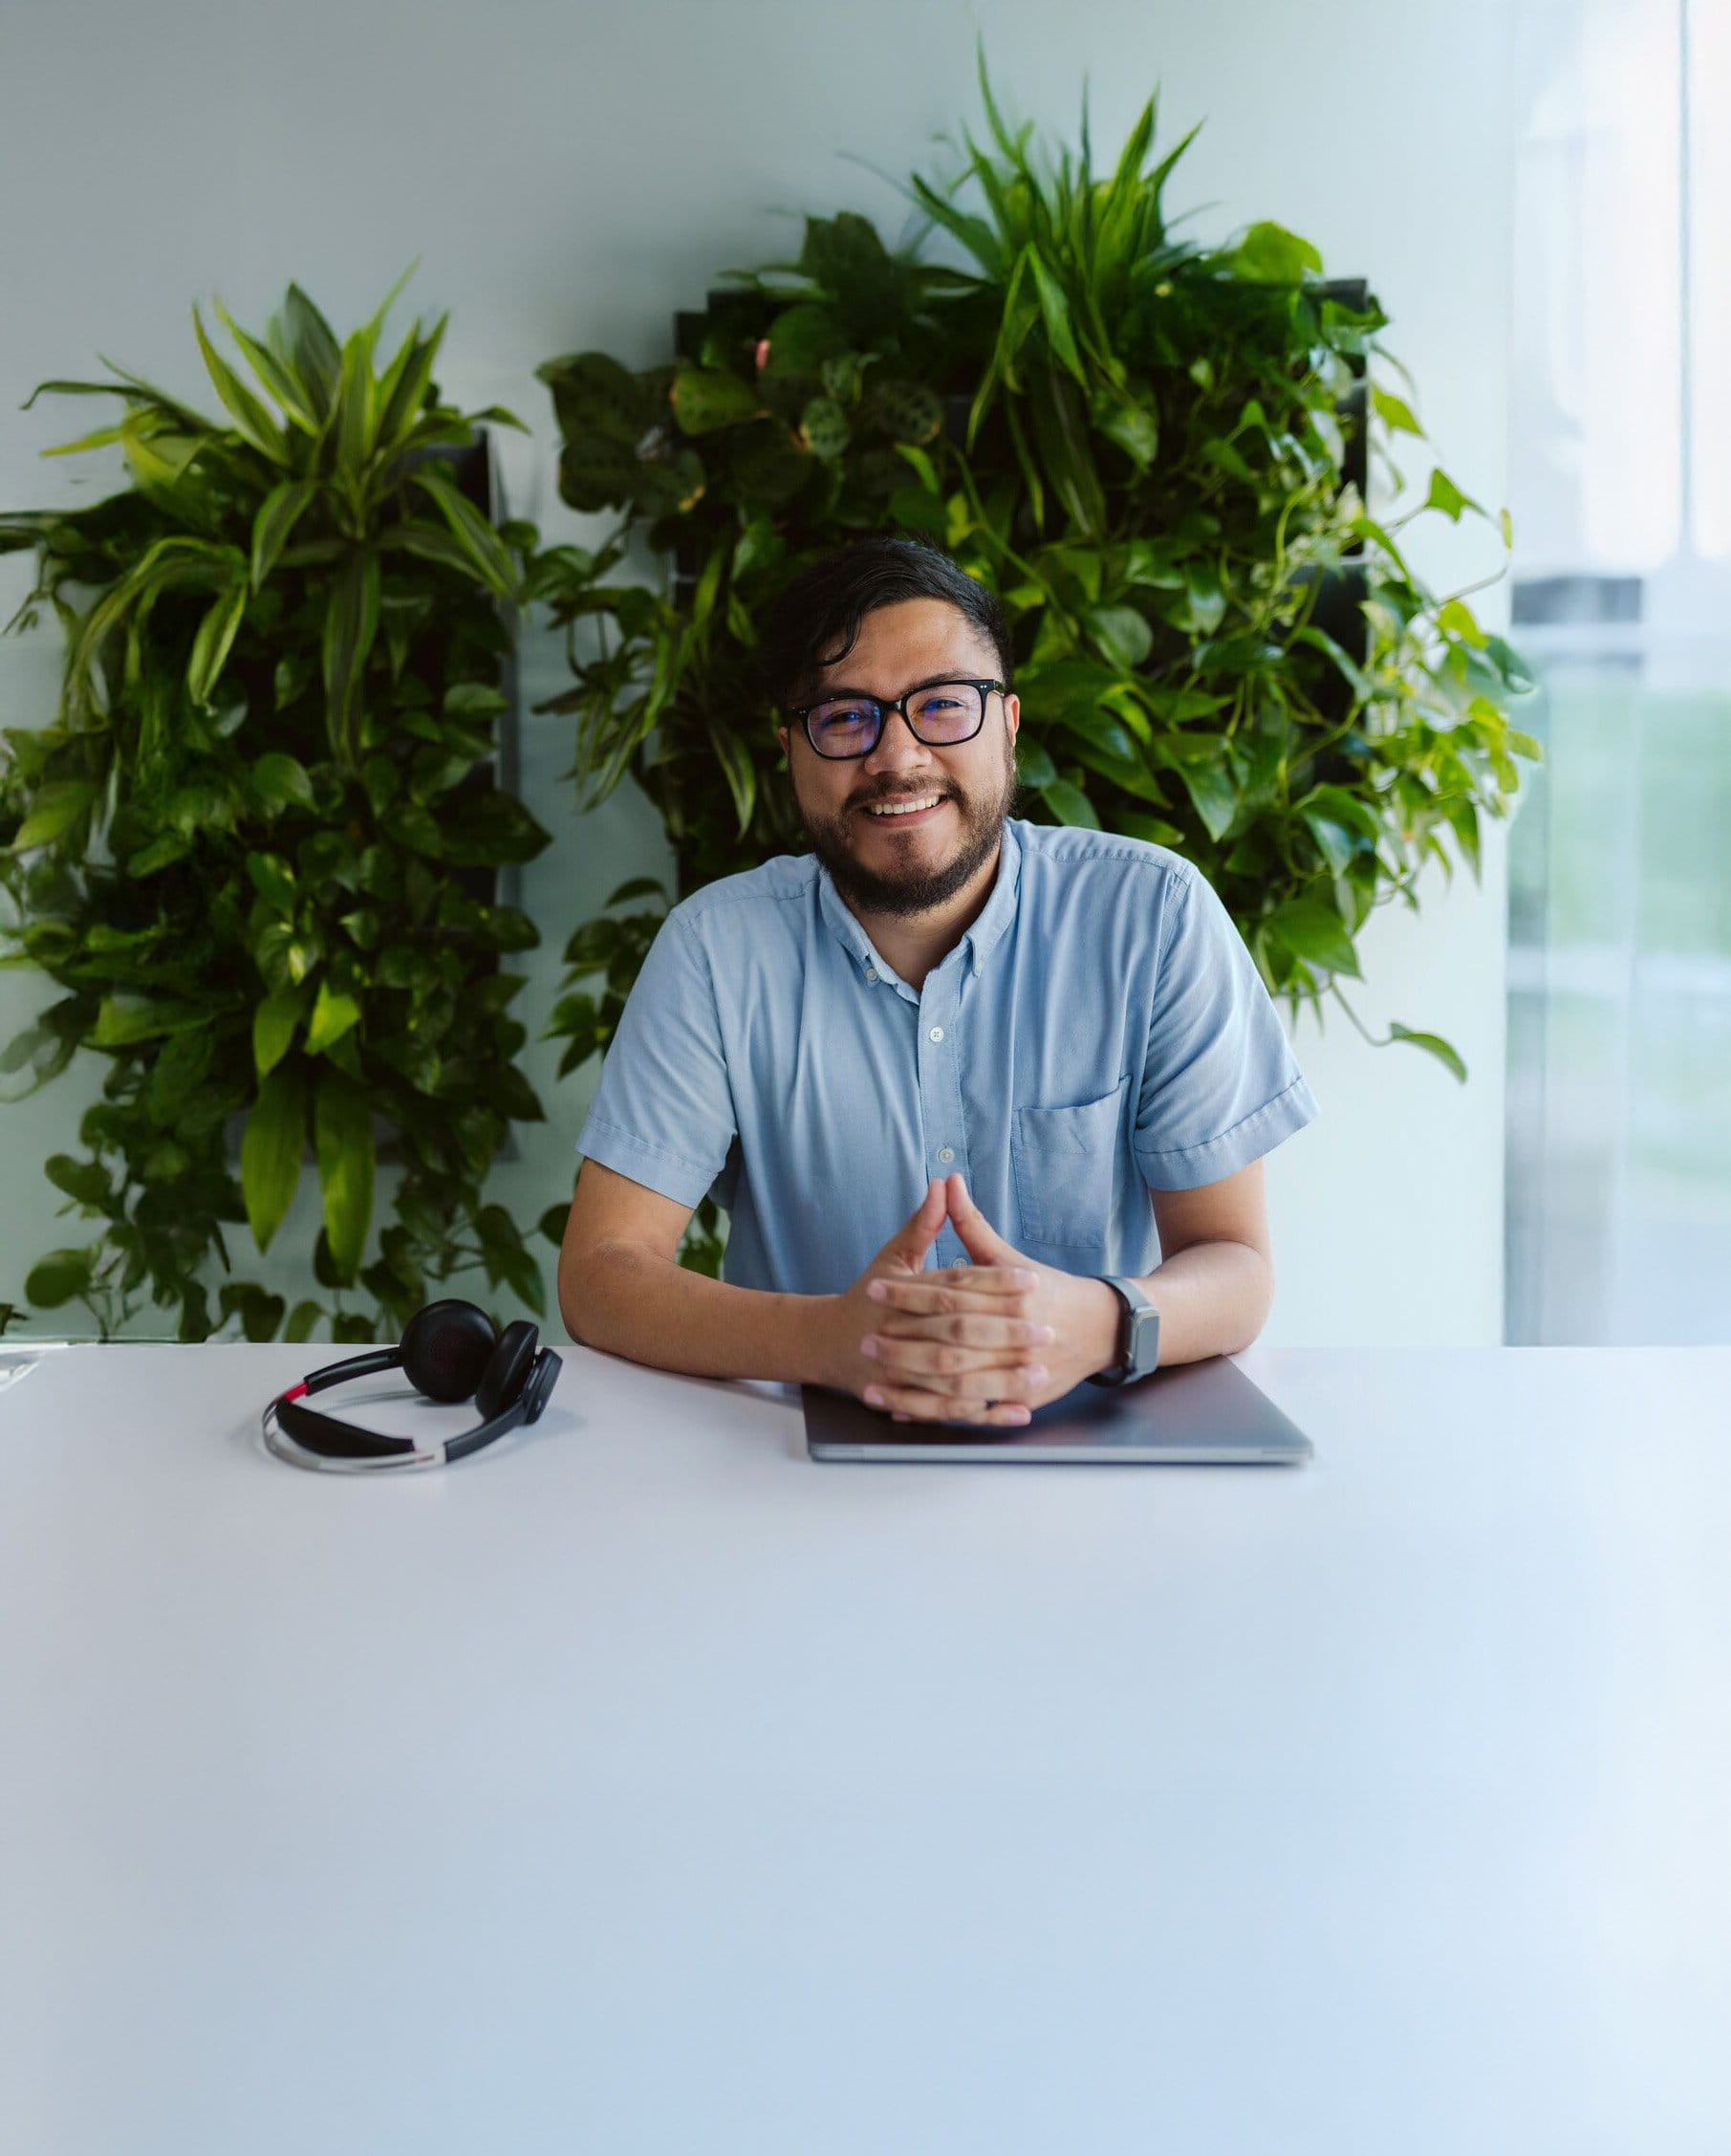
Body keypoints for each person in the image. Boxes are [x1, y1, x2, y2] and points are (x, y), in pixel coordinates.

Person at [558, 535, 1318, 1426]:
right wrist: (834, 1343)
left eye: (942, 706)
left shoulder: (1152, 917)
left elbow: (1236, 1264)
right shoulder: (715, 950)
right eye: (845, 716)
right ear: (790, 749)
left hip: (1098, 1465)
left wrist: (1099, 1320)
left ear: (1007, 722)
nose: (897, 756)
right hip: (790, 1477)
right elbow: (602, 1272)